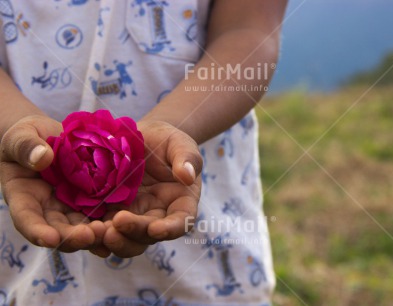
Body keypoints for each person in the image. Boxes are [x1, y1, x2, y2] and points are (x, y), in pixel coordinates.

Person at [0, 0, 287, 305]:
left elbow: (247, 32)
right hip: (22, 255)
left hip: (204, 259)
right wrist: (14, 125)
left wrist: (171, 128)